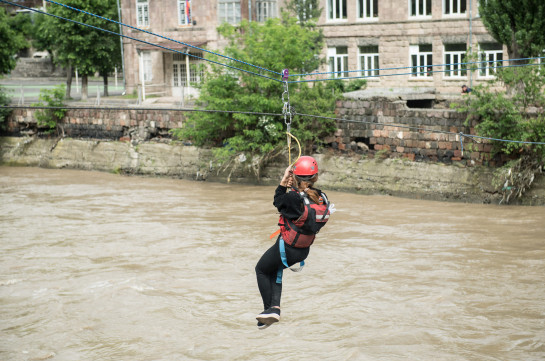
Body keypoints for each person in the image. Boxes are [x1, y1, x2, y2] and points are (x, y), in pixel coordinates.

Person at [254, 156, 332, 329]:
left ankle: (269, 310)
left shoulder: (293, 199)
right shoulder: (322, 198)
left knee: (261, 270)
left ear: (295, 177)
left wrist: (283, 183)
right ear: (315, 177)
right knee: (275, 269)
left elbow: (277, 200)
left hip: (287, 248)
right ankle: (274, 308)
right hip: (302, 251)